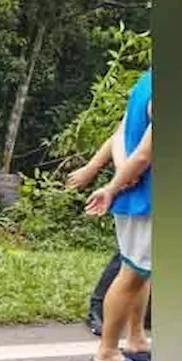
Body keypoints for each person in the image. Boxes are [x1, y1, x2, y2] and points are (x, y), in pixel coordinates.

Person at [81, 68, 152, 361]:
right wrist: (114, 186)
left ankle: (136, 339)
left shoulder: (147, 80)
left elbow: (122, 133)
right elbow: (143, 156)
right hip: (146, 199)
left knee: (140, 269)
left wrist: (116, 180)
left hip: (138, 195)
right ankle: (107, 352)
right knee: (132, 274)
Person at [67, 103, 152, 338]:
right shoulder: (147, 87)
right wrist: (120, 171)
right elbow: (122, 134)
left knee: (140, 267)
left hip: (137, 184)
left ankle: (135, 336)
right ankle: (105, 330)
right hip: (141, 189)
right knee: (133, 264)